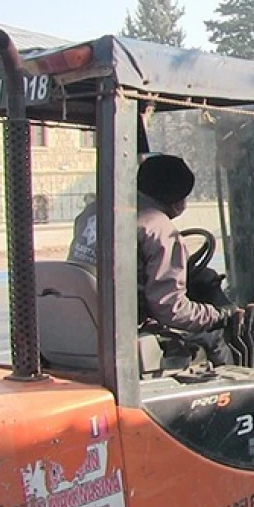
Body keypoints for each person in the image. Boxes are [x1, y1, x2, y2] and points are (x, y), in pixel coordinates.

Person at [68, 154, 240, 366]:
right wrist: (218, 315)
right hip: (127, 330)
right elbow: (171, 309)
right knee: (213, 338)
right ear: (176, 197)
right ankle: (235, 389)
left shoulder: (95, 211)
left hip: (87, 322)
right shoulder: (158, 229)